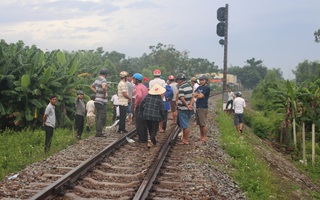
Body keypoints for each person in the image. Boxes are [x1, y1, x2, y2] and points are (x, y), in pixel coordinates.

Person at [140, 83, 166, 147]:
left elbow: (141, 104)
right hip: (155, 117)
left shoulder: (148, 96)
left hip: (146, 115)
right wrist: (163, 117)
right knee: (154, 129)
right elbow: (162, 109)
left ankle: (153, 141)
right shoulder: (159, 98)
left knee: (150, 128)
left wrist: (142, 111)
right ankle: (151, 140)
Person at [176, 73, 194, 145]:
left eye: (177, 80)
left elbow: (182, 98)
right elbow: (193, 96)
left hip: (183, 109)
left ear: (180, 80)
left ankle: (185, 140)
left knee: (185, 125)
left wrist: (187, 105)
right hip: (188, 109)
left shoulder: (181, 88)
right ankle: (184, 138)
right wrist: (190, 105)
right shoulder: (189, 87)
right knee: (185, 123)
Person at [90, 68, 108, 137]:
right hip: (102, 101)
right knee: (102, 117)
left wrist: (96, 92)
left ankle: (97, 131)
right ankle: (99, 132)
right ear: (106, 75)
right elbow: (103, 87)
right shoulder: (104, 80)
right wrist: (103, 95)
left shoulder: (97, 80)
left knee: (98, 116)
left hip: (97, 100)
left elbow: (91, 86)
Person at [193, 75, 210, 143]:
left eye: (203, 80)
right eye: (200, 80)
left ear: (206, 81)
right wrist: (197, 95)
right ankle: (201, 136)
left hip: (203, 107)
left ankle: (205, 137)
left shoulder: (207, 88)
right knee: (199, 123)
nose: (201, 81)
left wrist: (197, 95)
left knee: (203, 123)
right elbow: (194, 94)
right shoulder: (199, 87)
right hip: (198, 106)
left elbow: (200, 96)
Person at [133, 73, 149, 143]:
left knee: (139, 123)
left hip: (140, 107)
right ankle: (144, 138)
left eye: (133, 79)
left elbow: (139, 96)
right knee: (144, 123)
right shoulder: (144, 87)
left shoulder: (138, 87)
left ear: (137, 80)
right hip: (145, 106)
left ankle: (141, 138)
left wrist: (136, 104)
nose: (133, 80)